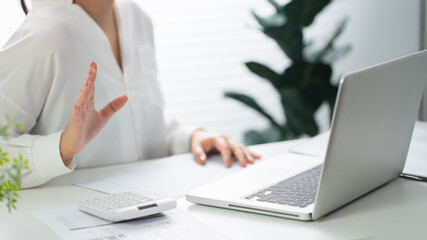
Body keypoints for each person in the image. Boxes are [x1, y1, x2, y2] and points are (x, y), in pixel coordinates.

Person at [0, 0, 261, 188]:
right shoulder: (45, 35)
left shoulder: (136, 17)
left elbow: (136, 133)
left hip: (146, 215)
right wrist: (61, 148)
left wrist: (190, 138)